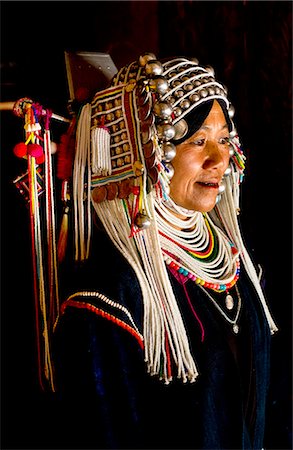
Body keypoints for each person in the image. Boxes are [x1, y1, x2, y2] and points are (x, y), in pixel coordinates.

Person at [52, 52, 278, 450]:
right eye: (197, 141)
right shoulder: (113, 297)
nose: (218, 159)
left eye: (224, 139)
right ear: (147, 153)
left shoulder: (241, 270)